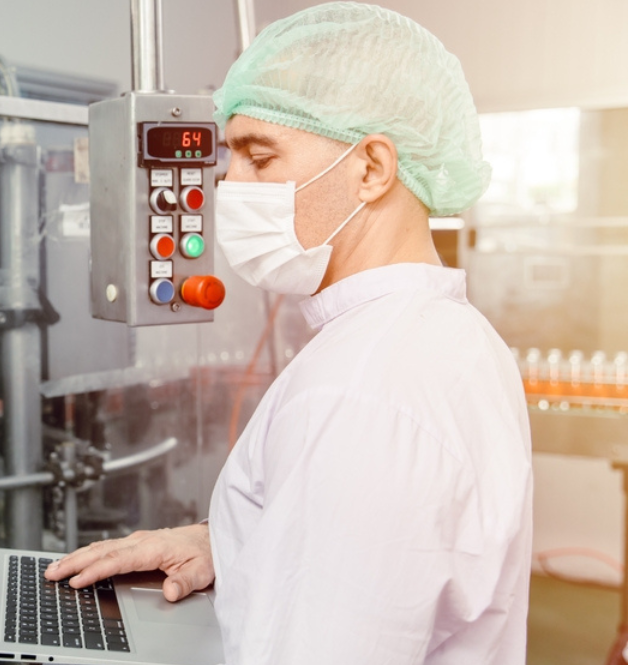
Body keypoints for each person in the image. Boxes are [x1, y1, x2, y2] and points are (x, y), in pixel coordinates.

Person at [45, 3, 533, 663]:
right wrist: (234, 543)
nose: (228, 184)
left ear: (371, 169)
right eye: (229, 156)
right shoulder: (449, 337)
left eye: (259, 155)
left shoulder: (360, 393)